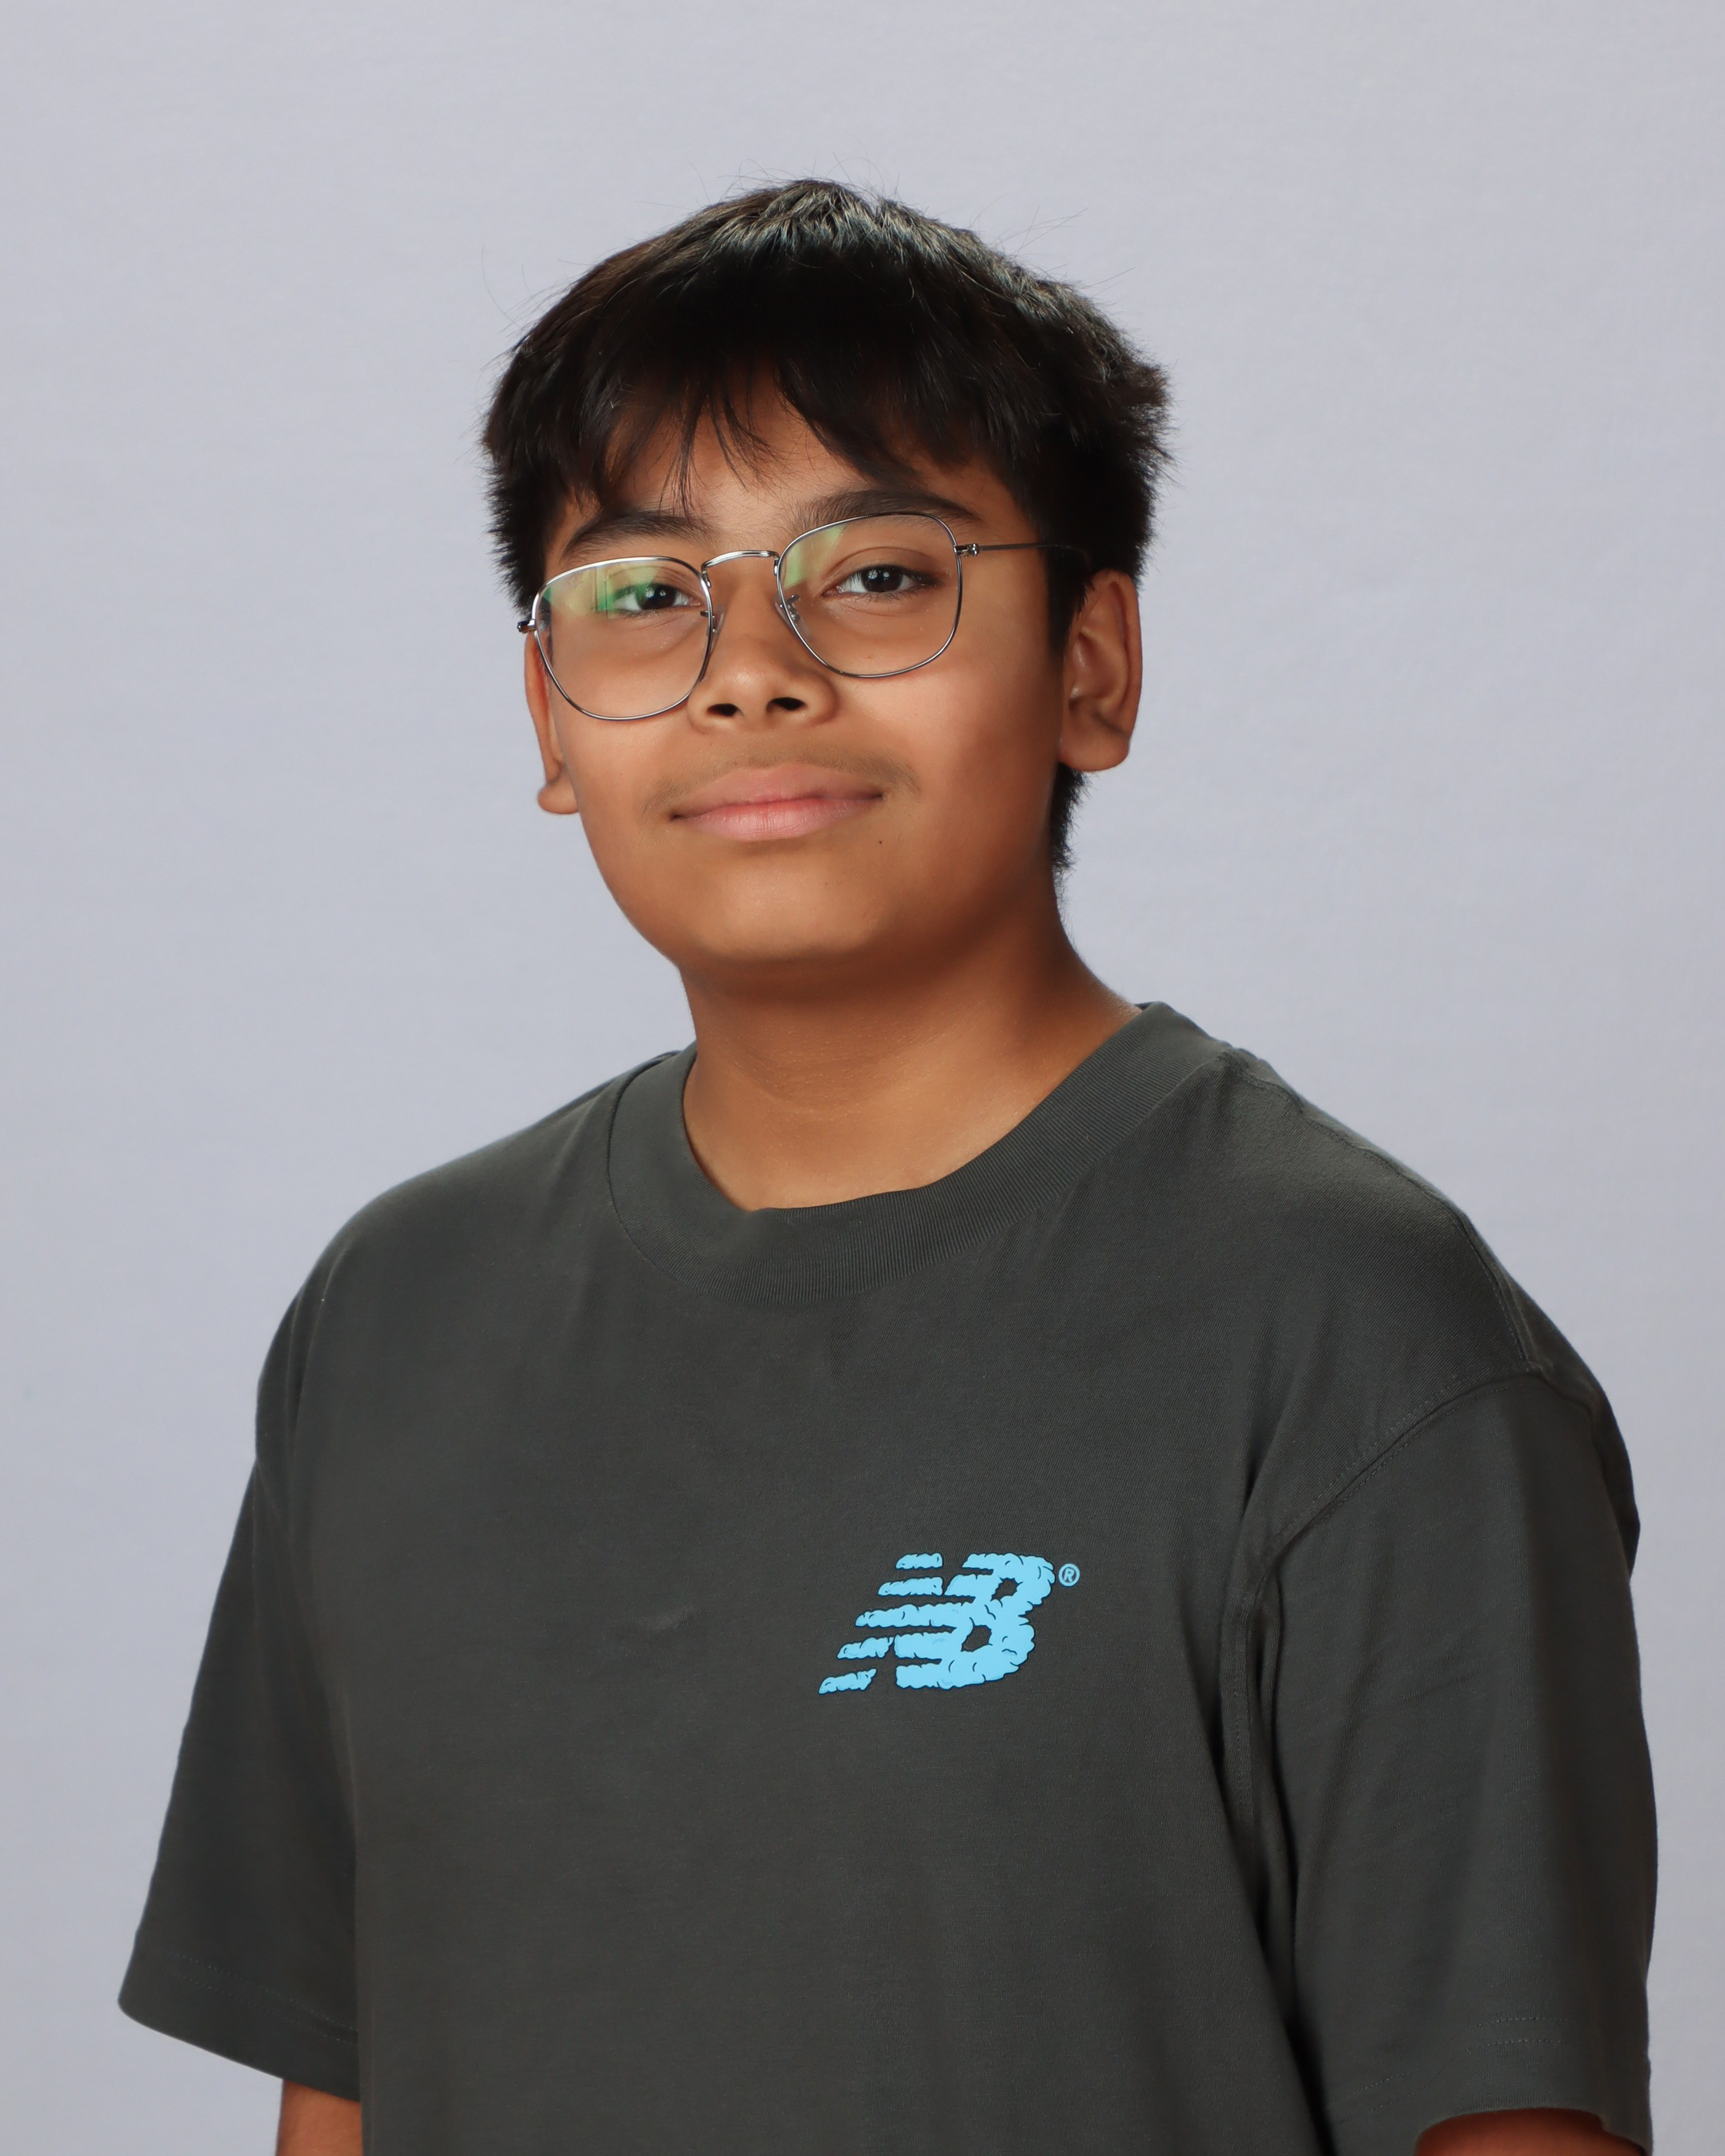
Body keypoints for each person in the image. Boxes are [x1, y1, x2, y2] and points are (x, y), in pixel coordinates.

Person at [119, 182, 1656, 2156]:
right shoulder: (396, 1318)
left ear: (1091, 664)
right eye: (642, 593)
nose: (750, 668)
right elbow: (347, 2089)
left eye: (874, 574)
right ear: (549, 717)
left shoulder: (1358, 1336)